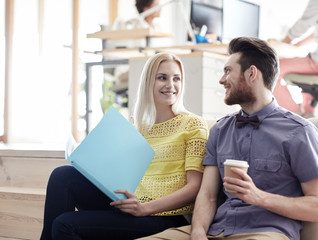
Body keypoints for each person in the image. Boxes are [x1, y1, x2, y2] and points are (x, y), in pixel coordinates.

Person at [137, 37, 318, 240]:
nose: (221, 80)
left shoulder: (299, 131)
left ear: (251, 73)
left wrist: (259, 197)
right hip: (216, 230)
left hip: (265, 231)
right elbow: (208, 195)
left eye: (228, 71)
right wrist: (198, 231)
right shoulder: (221, 129)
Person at [40, 52, 208, 240]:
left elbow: (195, 187)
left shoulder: (193, 124)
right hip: (132, 204)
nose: (171, 85)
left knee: (64, 224)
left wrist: (144, 208)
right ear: (148, 82)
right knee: (62, 176)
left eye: (176, 78)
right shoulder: (142, 128)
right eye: (162, 78)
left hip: (168, 216)